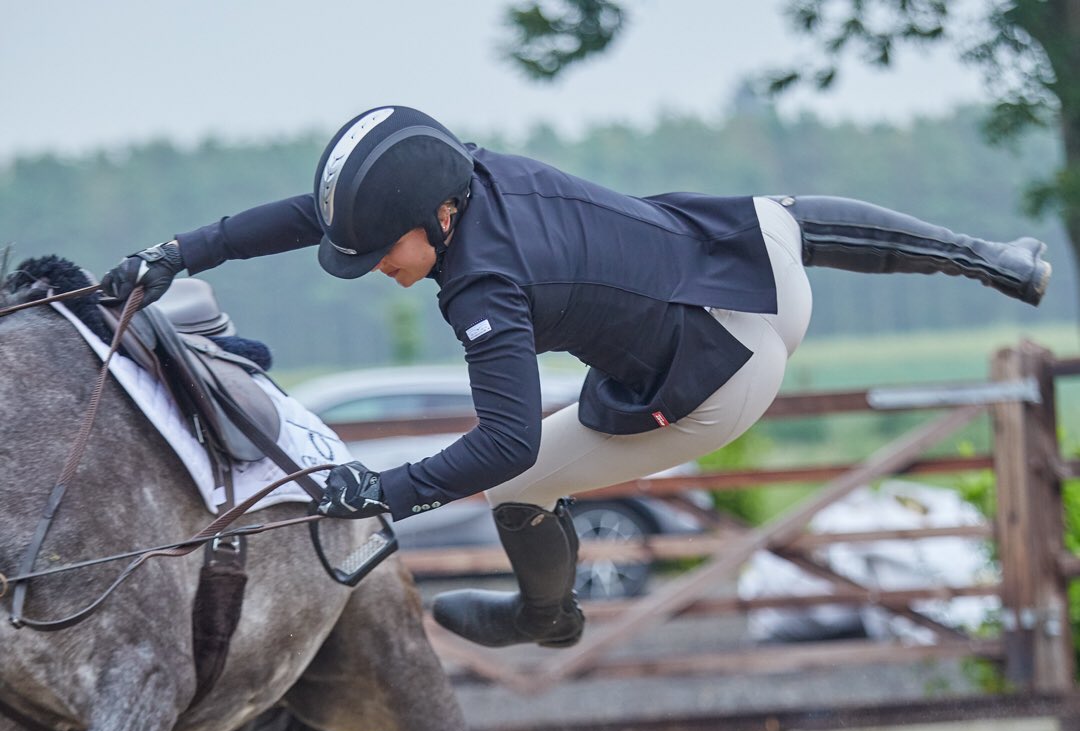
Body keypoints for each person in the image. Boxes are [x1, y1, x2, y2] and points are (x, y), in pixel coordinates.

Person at [101, 104, 1051, 651]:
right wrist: (183, 251)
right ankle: (995, 260)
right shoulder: (464, 175)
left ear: (434, 219)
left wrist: (379, 493)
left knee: (519, 476)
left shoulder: (482, 283)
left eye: (383, 253)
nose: (373, 270)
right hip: (749, 274)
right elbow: (320, 217)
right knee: (783, 217)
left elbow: (505, 441)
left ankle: (544, 613)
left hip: (719, 383)